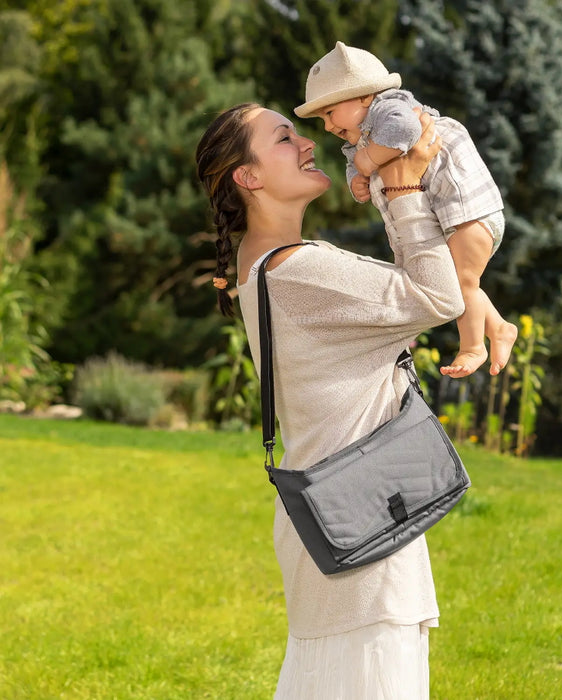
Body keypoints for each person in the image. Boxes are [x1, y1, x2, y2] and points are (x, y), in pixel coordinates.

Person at [196, 102, 464, 699]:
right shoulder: (302, 271)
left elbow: (415, 297)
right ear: (250, 177)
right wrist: (404, 184)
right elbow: (437, 296)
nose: (309, 143)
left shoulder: (262, 268)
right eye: (284, 138)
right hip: (367, 534)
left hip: (336, 527)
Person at [295, 41, 518, 378]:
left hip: (467, 209)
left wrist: (366, 161)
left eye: (329, 113)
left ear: (364, 97)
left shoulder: (390, 109)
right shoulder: (356, 139)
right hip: (448, 216)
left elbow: (406, 130)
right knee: (459, 283)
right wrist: (357, 180)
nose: (327, 126)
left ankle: (474, 346)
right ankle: (498, 327)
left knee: (461, 283)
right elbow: (356, 166)